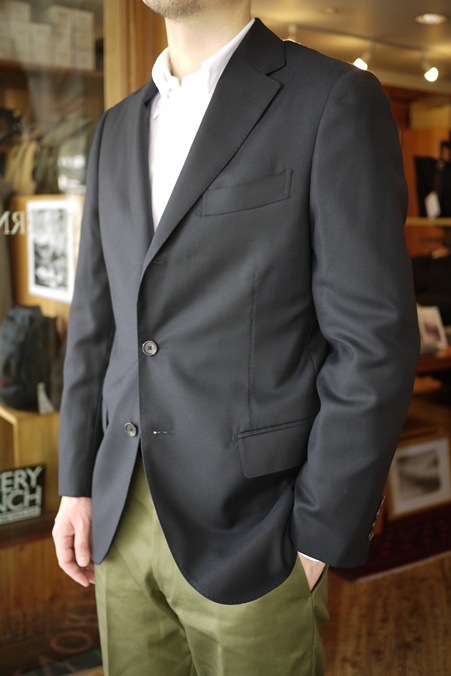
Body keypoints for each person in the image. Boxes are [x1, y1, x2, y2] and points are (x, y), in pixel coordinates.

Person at [52, 1, 420, 674]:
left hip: (257, 529)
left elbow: (373, 342)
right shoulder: (115, 127)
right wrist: (77, 483)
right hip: (119, 515)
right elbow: (96, 321)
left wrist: (318, 534)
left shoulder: (331, 99)